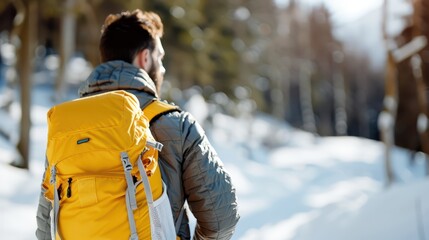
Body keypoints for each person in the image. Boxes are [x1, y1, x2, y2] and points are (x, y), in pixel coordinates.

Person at [36, 9, 239, 240]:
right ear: (144, 58)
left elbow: (46, 223)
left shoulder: (66, 130)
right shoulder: (176, 123)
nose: (162, 68)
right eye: (160, 58)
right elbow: (221, 220)